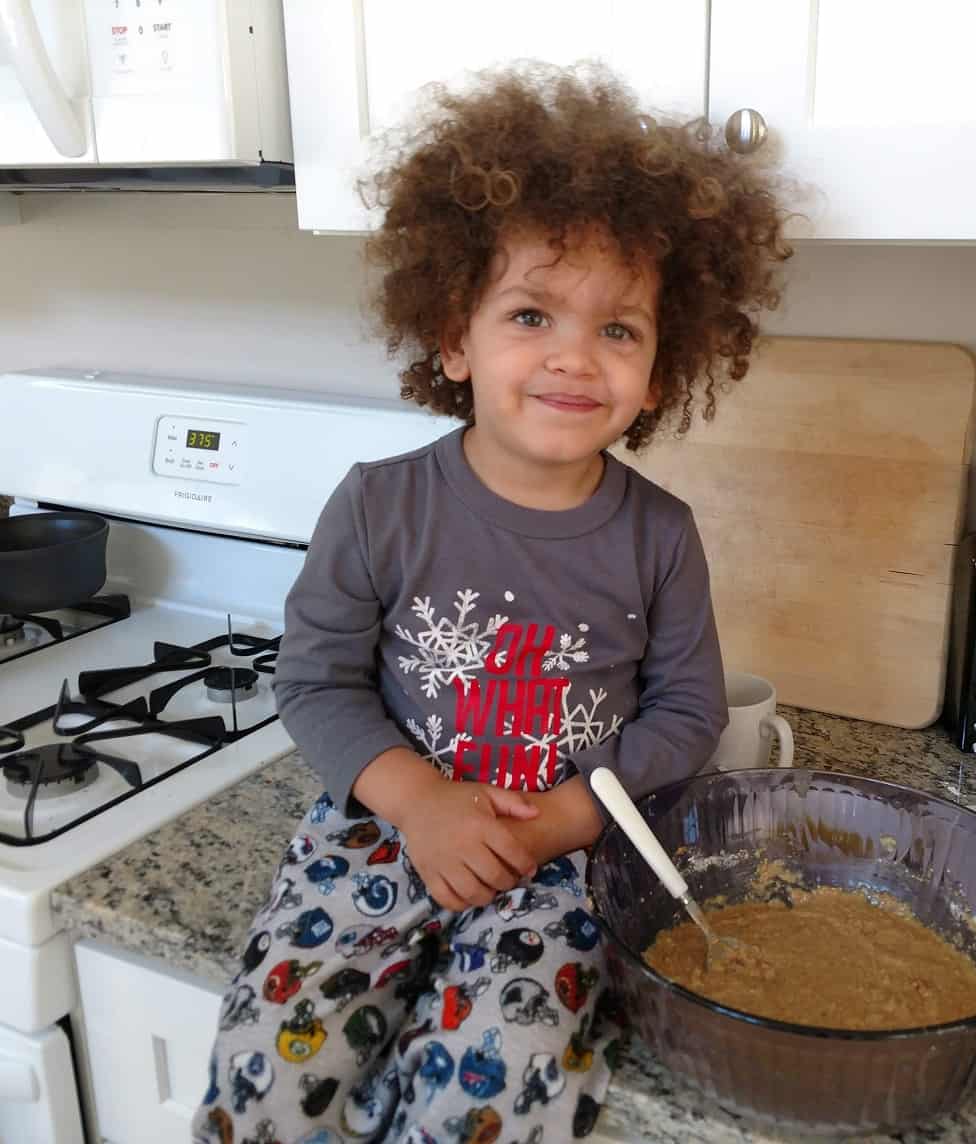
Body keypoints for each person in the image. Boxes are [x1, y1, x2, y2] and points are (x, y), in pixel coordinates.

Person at [193, 62, 790, 1144]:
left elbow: (687, 713)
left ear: (662, 371)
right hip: (381, 828)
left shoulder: (661, 534)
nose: (574, 354)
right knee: (275, 1070)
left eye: (619, 330)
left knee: (502, 1093)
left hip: (562, 856)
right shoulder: (380, 504)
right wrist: (420, 801)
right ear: (453, 337)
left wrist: (571, 814)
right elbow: (315, 681)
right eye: (530, 312)